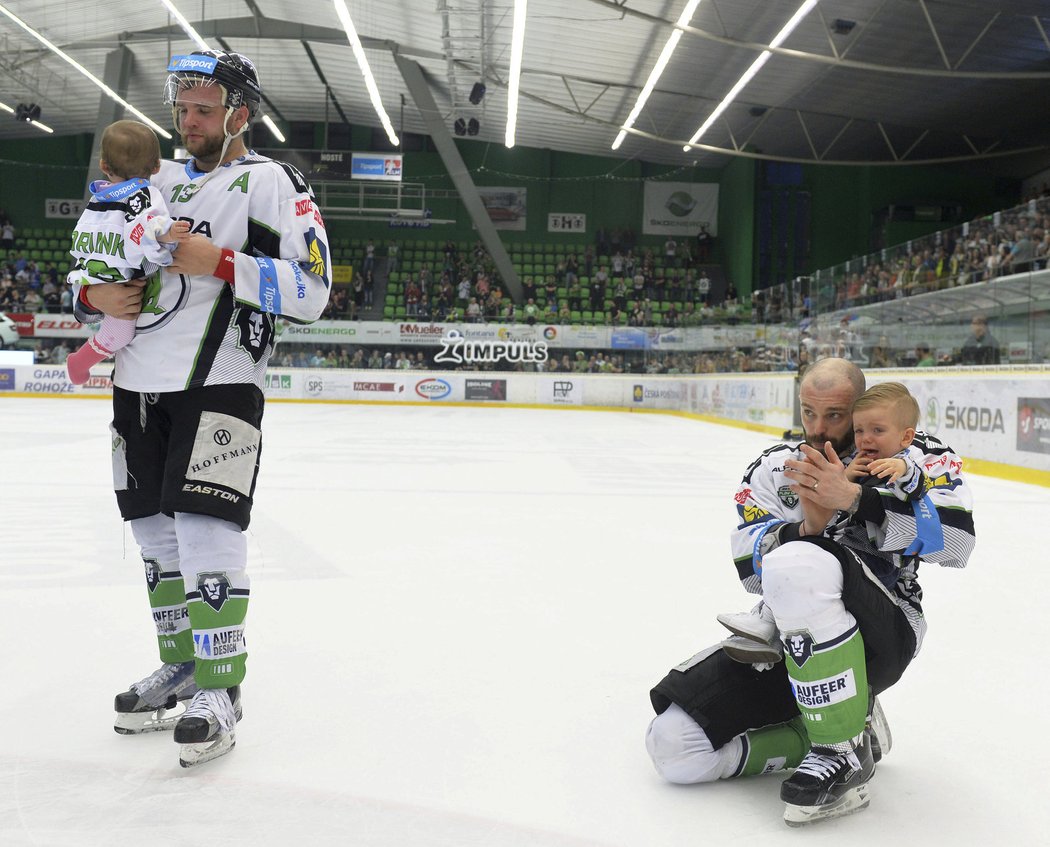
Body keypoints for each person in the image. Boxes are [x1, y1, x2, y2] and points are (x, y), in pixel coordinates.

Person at [72, 50, 331, 767]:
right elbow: (93, 251)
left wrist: (218, 261)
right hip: (137, 385)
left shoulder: (271, 182)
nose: (187, 121)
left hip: (222, 378)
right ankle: (182, 666)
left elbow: (313, 290)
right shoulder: (147, 181)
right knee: (154, 535)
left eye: (203, 109)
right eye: (181, 108)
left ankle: (222, 685)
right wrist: (91, 298)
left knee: (205, 525)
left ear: (239, 114)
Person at [645, 359, 975, 826]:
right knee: (675, 748)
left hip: (886, 629)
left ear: (859, 406)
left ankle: (840, 751)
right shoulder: (774, 468)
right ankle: (845, 730)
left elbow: (957, 545)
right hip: (789, 636)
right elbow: (753, 574)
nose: (819, 430)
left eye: (836, 416)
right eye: (808, 413)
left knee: (803, 561)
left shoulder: (911, 453)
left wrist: (856, 502)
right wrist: (805, 526)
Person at [65, 120, 191, 384]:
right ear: (157, 166)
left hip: (93, 269)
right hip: (120, 277)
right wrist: (168, 232)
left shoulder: (100, 197)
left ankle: (80, 360)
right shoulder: (142, 194)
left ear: (103, 166)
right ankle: (79, 361)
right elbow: (147, 224)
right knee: (120, 335)